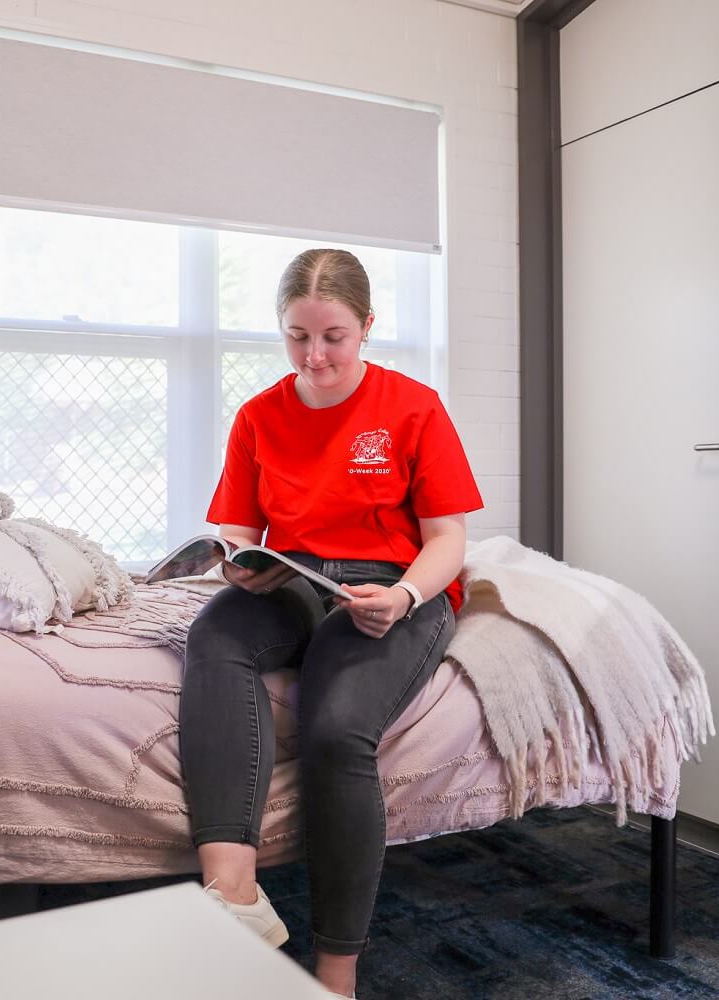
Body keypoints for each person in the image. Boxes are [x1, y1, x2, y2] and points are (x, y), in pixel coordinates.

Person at [178, 248, 483, 998]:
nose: (314, 357)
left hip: (390, 592)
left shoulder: (413, 408)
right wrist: (241, 566)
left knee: (333, 725)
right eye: (297, 336)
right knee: (213, 635)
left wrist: (406, 597)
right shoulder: (258, 416)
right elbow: (238, 535)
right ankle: (235, 896)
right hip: (296, 578)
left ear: (367, 328)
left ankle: (335, 974)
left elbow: (447, 539)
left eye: (333, 337)